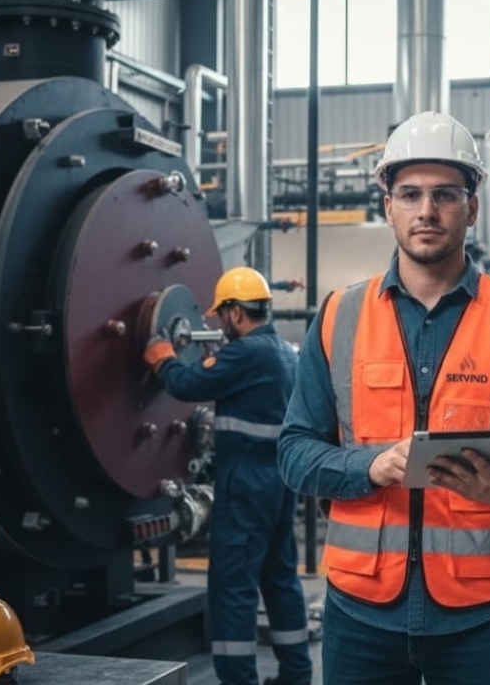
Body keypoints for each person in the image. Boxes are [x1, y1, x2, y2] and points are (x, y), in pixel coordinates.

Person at [276, 111, 490, 685]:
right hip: (359, 611)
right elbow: (294, 452)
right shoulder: (338, 316)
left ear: (472, 205)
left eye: (445, 194)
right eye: (410, 194)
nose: (426, 211)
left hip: (480, 618)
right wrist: (370, 464)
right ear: (387, 204)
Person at [144, 267, 312, 685]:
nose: (220, 323)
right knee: (280, 579)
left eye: (222, 315)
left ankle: (238, 679)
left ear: (237, 313)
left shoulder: (246, 353)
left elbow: (186, 383)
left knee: (233, 588)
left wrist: (162, 357)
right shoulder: (285, 353)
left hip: (246, 484)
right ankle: (297, 674)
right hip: (280, 483)